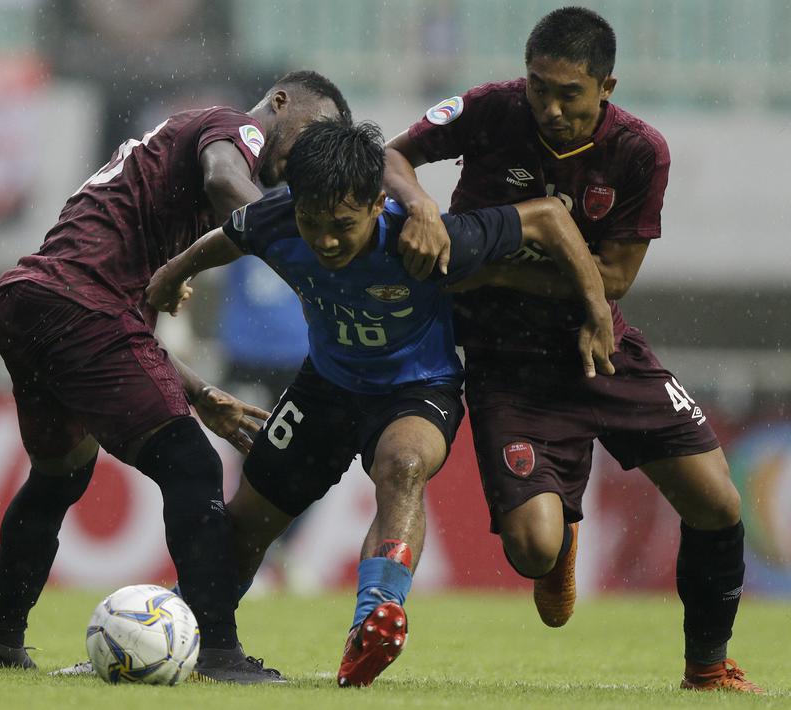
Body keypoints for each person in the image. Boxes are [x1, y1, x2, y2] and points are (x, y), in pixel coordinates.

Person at [147, 118, 613, 687]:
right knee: (248, 521)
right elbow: (230, 236)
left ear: (374, 202)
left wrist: (598, 308)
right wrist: (173, 273)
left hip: (416, 388)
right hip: (325, 386)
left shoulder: (429, 238)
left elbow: (548, 217)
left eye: (342, 225)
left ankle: (374, 620)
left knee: (404, 467)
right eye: (312, 223)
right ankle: (185, 628)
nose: (325, 240)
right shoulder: (277, 216)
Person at [383, 6, 762, 694]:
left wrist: (488, 263)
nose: (550, 108)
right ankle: (559, 536)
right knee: (532, 551)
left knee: (717, 505)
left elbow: (614, 278)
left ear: (605, 87)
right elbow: (390, 155)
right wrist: (420, 209)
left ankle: (706, 668)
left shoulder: (639, 152)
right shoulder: (488, 111)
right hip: (506, 360)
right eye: (538, 88)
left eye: (569, 95)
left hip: (599, 346)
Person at [0, 72, 350, 683]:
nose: (307, 155)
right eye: (311, 133)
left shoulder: (171, 169)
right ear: (280, 103)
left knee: (59, 477)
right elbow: (226, 179)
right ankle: (218, 652)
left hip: (32, 302)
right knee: (192, 466)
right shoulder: (235, 131)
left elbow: (123, 320)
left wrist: (200, 394)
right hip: (78, 306)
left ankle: (0, 645)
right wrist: (301, 242)